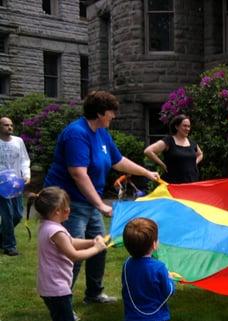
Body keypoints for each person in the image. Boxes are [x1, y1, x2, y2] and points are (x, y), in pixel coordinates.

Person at [44, 90, 160, 304]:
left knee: (99, 245)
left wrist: (146, 172)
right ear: (99, 113)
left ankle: (94, 293)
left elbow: (118, 161)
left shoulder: (101, 133)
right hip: (69, 203)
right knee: (73, 251)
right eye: (111, 112)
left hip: (88, 201)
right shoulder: (76, 134)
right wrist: (100, 205)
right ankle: (63, 303)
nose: (114, 116)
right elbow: (78, 174)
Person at [27, 187, 107, 321]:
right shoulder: (57, 231)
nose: (69, 210)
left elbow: (71, 242)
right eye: (67, 207)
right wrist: (97, 249)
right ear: (57, 212)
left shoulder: (49, 226)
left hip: (48, 286)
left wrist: (91, 241)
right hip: (57, 287)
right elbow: (74, 254)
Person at [0, 117, 31, 256]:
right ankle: (9, 246)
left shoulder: (18, 141)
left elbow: (24, 159)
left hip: (16, 183)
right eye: (6, 125)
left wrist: (26, 174)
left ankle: (2, 236)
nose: (10, 127)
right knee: (7, 214)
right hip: (2, 184)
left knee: (18, 215)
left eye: (11, 125)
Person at [144, 114, 203, 184]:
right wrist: (162, 164)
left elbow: (200, 154)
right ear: (176, 127)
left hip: (192, 182)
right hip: (173, 183)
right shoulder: (169, 141)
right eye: (184, 126)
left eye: (189, 126)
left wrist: (194, 163)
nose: (187, 129)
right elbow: (148, 151)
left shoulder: (192, 142)